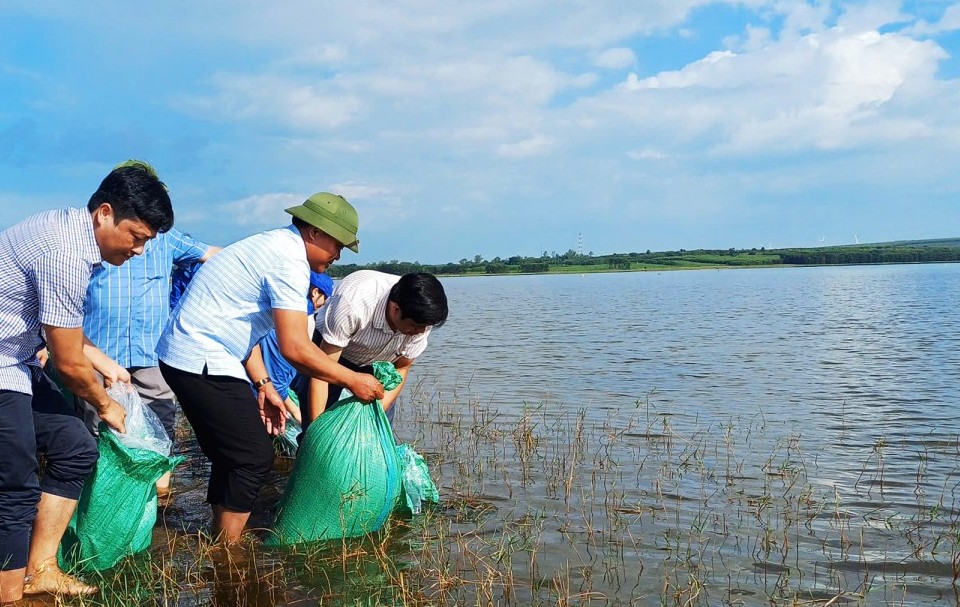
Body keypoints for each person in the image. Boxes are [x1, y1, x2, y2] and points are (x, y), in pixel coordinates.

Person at [155, 192, 384, 544]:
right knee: (253, 457)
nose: (337, 255)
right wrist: (353, 379)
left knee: (231, 454)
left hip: (196, 354)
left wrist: (264, 384)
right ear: (314, 233)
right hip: (199, 356)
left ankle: (221, 538)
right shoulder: (289, 260)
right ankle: (227, 550)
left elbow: (244, 331)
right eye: (337, 245)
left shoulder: (276, 247)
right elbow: (295, 348)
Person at [0, 165, 173, 602]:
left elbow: (64, 329)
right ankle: (8, 594)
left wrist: (100, 358)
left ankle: (41, 569)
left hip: (17, 359)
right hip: (3, 365)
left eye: (147, 242)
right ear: (105, 213)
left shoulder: (71, 234)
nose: (138, 249)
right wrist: (105, 403)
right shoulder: (65, 252)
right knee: (16, 483)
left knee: (75, 446)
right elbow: (68, 364)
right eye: (135, 236)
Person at [80, 160, 220, 501]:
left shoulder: (167, 241)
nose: (139, 245)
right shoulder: (93, 237)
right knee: (97, 425)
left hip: (150, 352)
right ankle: (103, 497)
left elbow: (213, 255)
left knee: (160, 424)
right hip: (98, 349)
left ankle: (158, 500)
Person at [303, 271, 448, 427]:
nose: (421, 332)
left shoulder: (421, 319)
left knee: (377, 430)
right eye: (416, 326)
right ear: (395, 309)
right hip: (335, 351)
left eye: (425, 327)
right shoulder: (353, 305)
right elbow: (322, 373)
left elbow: (402, 367)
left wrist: (372, 417)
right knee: (317, 423)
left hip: (380, 363)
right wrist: (316, 434)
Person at [245, 271, 334, 424]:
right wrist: (299, 418)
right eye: (325, 299)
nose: (324, 306)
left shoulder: (280, 312)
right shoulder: (293, 328)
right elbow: (276, 382)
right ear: (315, 292)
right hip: (262, 400)